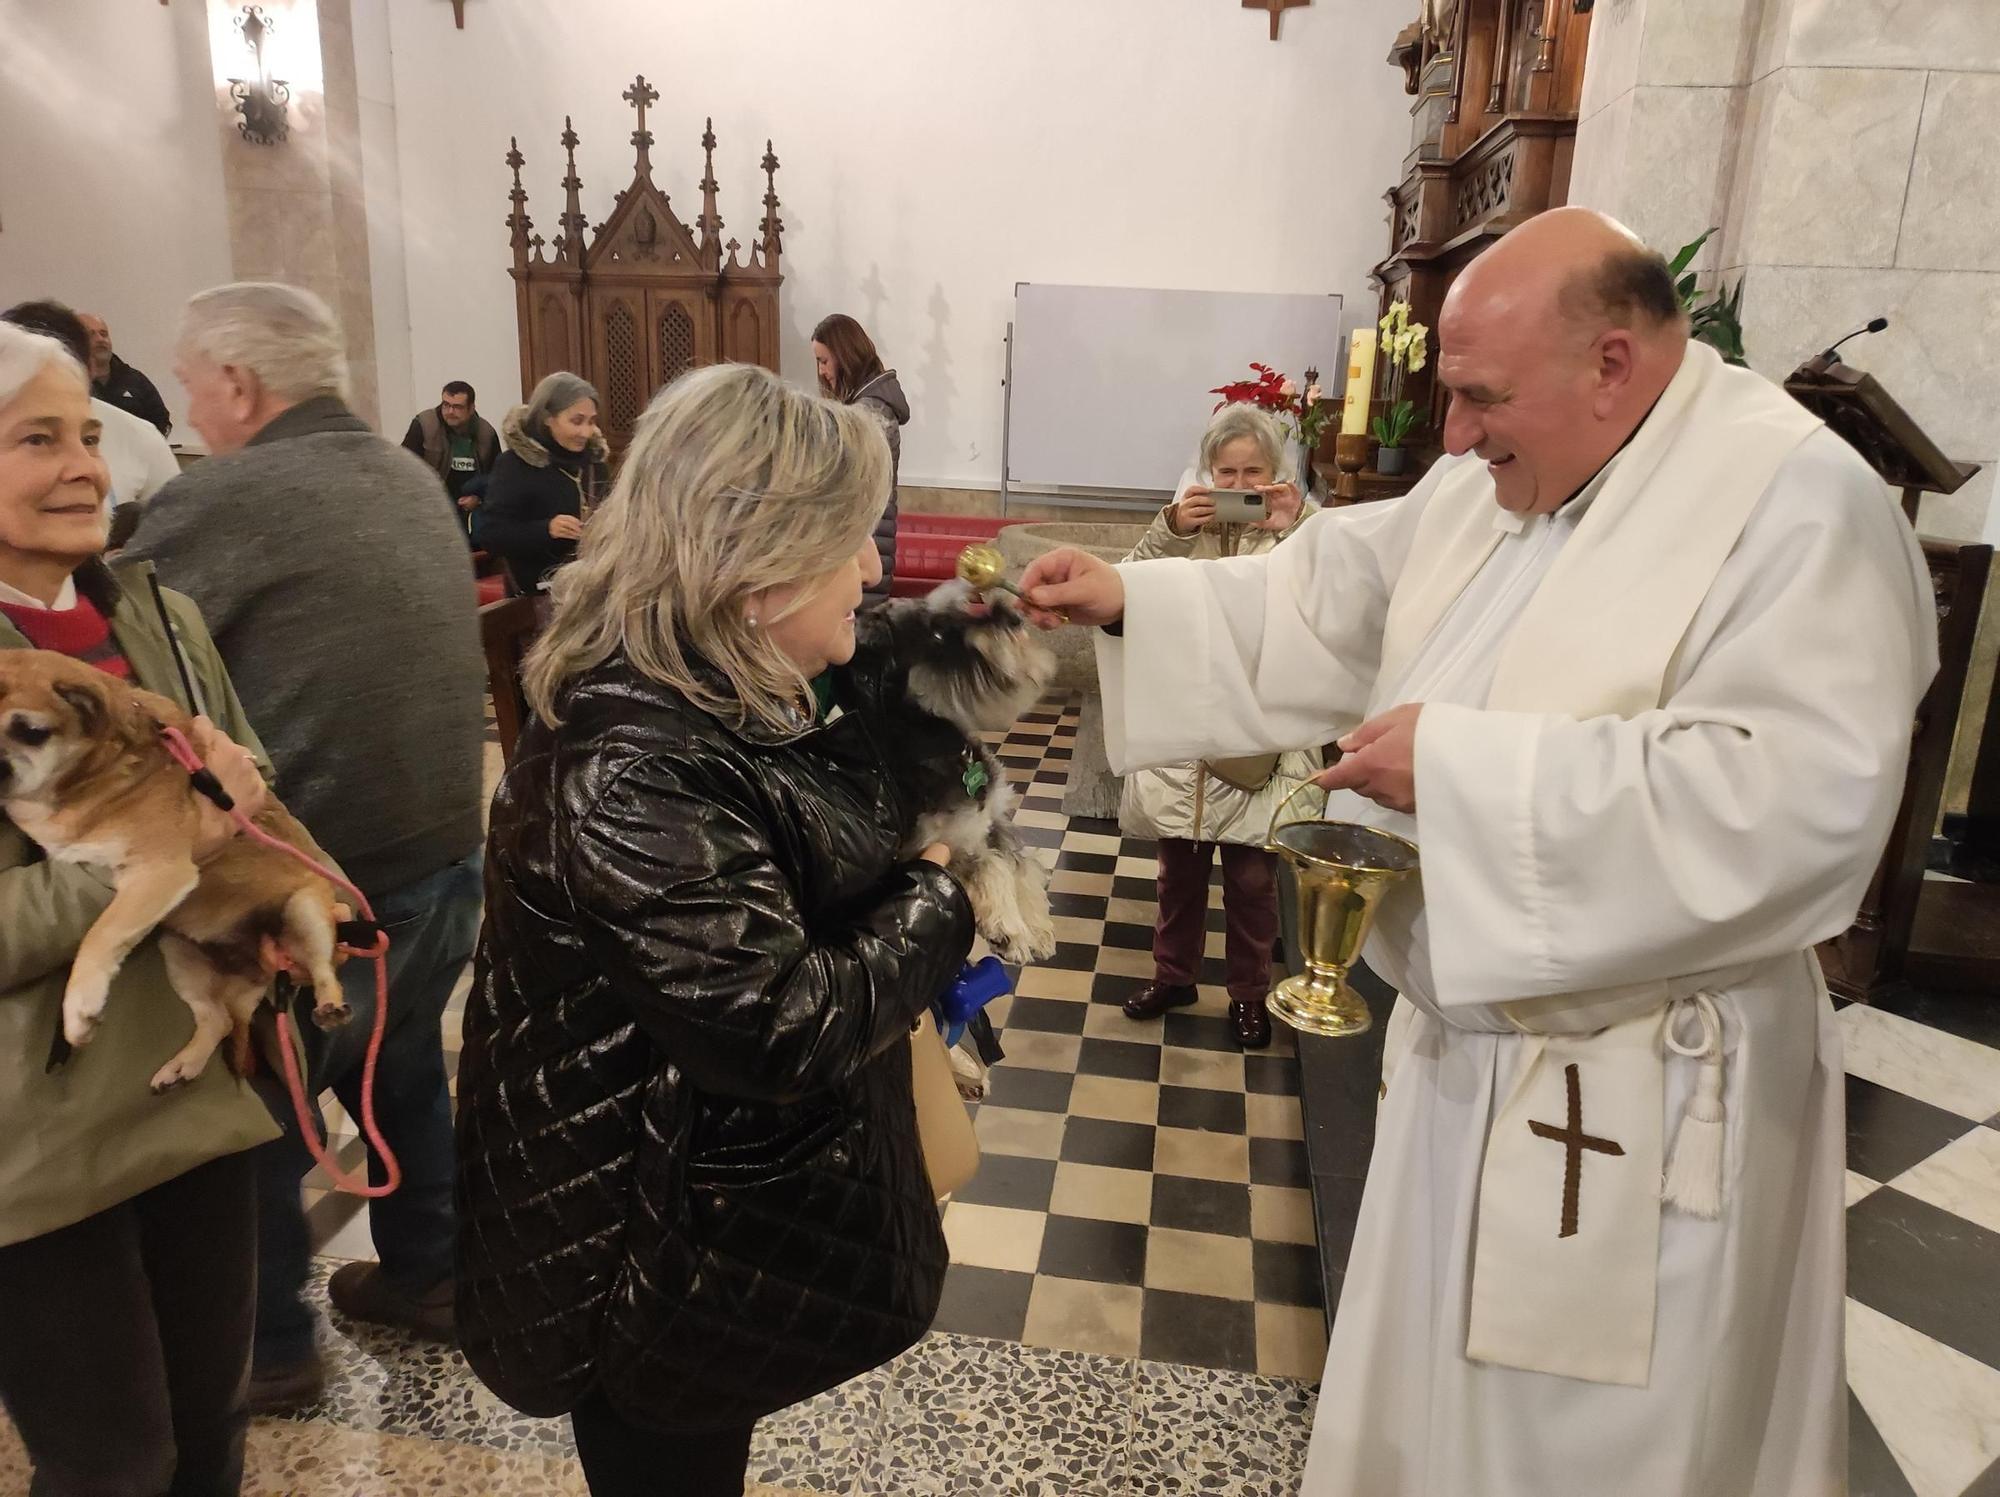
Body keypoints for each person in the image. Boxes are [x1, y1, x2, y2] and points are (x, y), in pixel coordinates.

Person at [1021, 207, 1936, 1496]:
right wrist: (1134, 594)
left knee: (1598, 1451)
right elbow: (1322, 591)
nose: (1449, 437)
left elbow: (1797, 804)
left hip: (1639, 1093)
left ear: (1610, 364)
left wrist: (1451, 771)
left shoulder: (1793, 507)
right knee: (1437, 1424)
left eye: (1477, 398)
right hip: (1464, 1067)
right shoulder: (1513, 474)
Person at [457, 363, 972, 1497]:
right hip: (631, 1245)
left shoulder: (719, 694)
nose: (873, 568)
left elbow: (807, 835)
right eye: (846, 543)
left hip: (690, 1209)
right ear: (752, 568)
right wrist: (939, 897)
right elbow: (774, 1027)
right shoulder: (637, 766)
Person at [120, 282, 487, 1412]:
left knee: (260, 1106)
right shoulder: (406, 471)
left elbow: (123, 653)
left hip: (323, 880)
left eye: (188, 384)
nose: (188, 407)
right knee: (411, 1058)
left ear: (235, 383)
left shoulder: (229, 496)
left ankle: (269, 1345)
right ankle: (432, 1273)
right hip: (444, 855)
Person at [0, 321, 276, 1495]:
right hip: (35, 1128)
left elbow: (240, 793)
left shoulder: (156, 613)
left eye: (88, 434)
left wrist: (240, 807)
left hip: (194, 1089)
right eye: (34, 440)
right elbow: (180, 838)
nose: (85, 468)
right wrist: (146, 861)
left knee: (215, 1423)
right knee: (114, 1464)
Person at [1116, 403, 1322, 1050]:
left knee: (1252, 883)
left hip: (1257, 723)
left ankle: (1249, 995)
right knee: (1177, 872)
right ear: (1207, 471)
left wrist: (1297, 527)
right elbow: (1129, 583)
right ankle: (1173, 976)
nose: (1239, 483)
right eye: (1226, 470)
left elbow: (1335, 589)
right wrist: (1173, 526)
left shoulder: (1300, 526)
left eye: (1252, 470)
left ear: (1276, 471)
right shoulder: (1187, 520)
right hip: (1187, 721)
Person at [4, 301, 180, 528]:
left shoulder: (139, 435)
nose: (86, 470)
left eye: (90, 441)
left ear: (89, 368)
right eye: (37, 440)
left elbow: (174, 533)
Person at [474, 371, 607, 599]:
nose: (586, 432)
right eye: (576, 421)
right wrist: (546, 529)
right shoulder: (515, 465)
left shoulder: (595, 463)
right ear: (547, 417)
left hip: (591, 591)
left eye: (591, 421)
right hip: (536, 595)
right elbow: (490, 534)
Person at [813, 314, 907, 600]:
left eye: (824, 361)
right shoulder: (867, 407)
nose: (821, 371)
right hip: (865, 543)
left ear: (846, 356)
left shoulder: (871, 413)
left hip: (865, 547)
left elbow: (846, 485)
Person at [400, 380, 499, 537]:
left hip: (471, 514)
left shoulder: (486, 433)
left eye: (457, 407)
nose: (450, 411)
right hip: (431, 509)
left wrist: (479, 499)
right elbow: (404, 468)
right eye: (446, 405)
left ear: (471, 408)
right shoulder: (424, 425)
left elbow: (496, 479)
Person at [77, 309, 174, 436]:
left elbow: (161, 421)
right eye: (91, 334)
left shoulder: (134, 380)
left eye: (104, 334)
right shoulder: (67, 381)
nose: (100, 339)